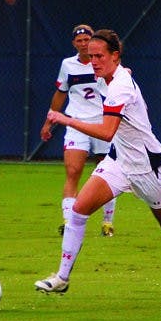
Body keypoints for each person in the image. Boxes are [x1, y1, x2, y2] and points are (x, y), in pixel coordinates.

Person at [35, 29, 161, 302]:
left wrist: (65, 119)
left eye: (99, 56)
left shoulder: (120, 86)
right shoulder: (111, 75)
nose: (94, 61)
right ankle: (62, 278)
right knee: (79, 210)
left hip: (149, 169)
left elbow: (106, 131)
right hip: (119, 162)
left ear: (115, 55)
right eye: (91, 56)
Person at [40, 24, 117, 237]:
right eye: (79, 41)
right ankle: (68, 222)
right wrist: (49, 122)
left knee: (108, 173)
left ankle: (107, 222)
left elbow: (117, 89)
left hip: (102, 123)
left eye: (87, 40)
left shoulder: (102, 62)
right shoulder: (68, 65)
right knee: (73, 172)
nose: (83, 44)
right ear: (74, 43)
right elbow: (60, 93)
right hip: (76, 123)